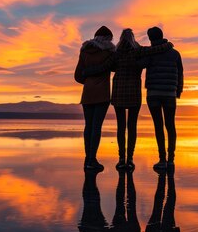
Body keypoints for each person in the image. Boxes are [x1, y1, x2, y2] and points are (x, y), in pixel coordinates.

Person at [83, 29, 173, 170]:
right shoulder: (138, 51)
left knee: (121, 127)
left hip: (118, 94)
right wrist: (168, 46)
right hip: (134, 95)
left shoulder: (116, 54)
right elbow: (155, 49)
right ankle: (130, 159)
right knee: (132, 127)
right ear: (132, 38)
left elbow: (104, 67)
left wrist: (87, 72)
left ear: (120, 38)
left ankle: (121, 159)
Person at [137, 27, 183, 170]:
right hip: (170, 94)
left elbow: (139, 64)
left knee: (158, 126)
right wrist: (178, 91)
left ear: (150, 38)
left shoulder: (150, 54)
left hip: (154, 94)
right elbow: (180, 74)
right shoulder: (175, 53)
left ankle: (162, 159)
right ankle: (171, 160)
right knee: (170, 125)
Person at [74, 26, 115, 171]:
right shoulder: (109, 52)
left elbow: (78, 76)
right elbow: (115, 67)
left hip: (87, 93)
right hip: (102, 94)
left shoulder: (84, 51)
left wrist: (89, 81)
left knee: (88, 126)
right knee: (96, 127)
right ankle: (92, 159)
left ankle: (87, 159)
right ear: (108, 39)